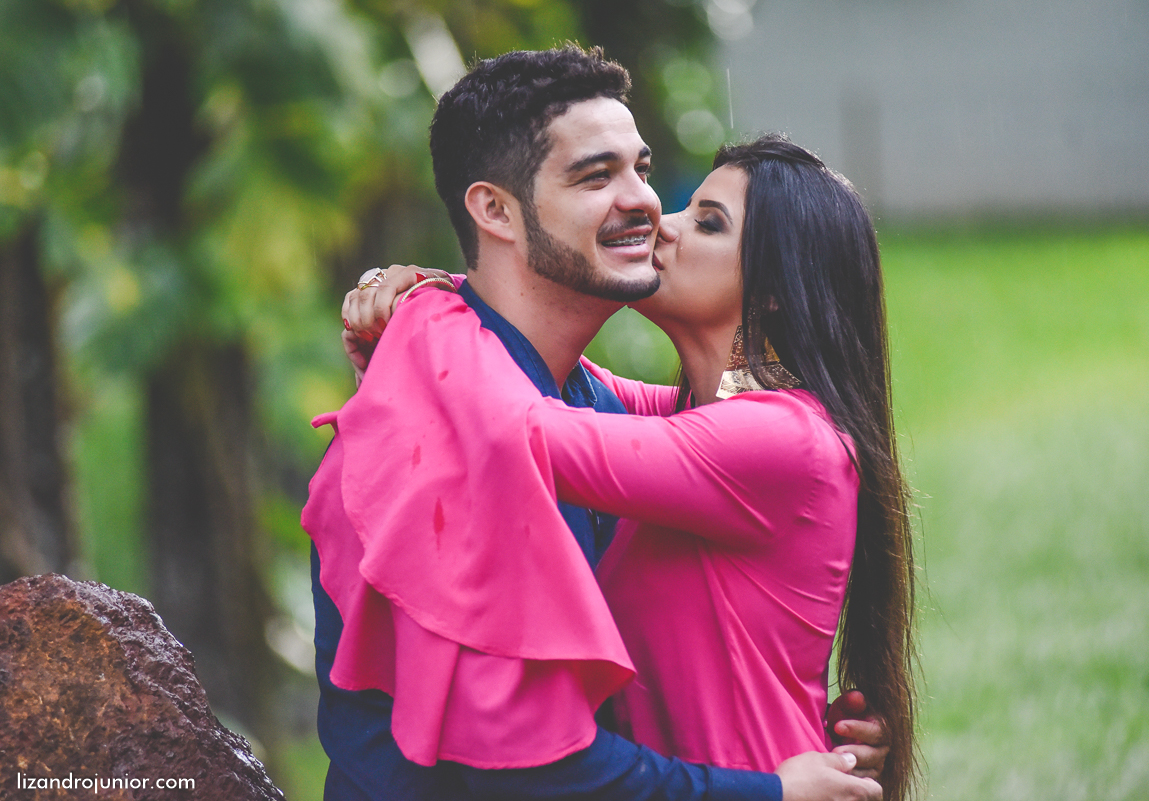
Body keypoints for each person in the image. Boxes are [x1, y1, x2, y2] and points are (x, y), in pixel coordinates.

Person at [309, 45, 889, 801]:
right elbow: (523, 771)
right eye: (595, 175)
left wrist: (425, 309)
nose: (650, 207)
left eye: (642, 170)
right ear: (494, 210)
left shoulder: (631, 419)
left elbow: (523, 425)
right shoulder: (503, 415)